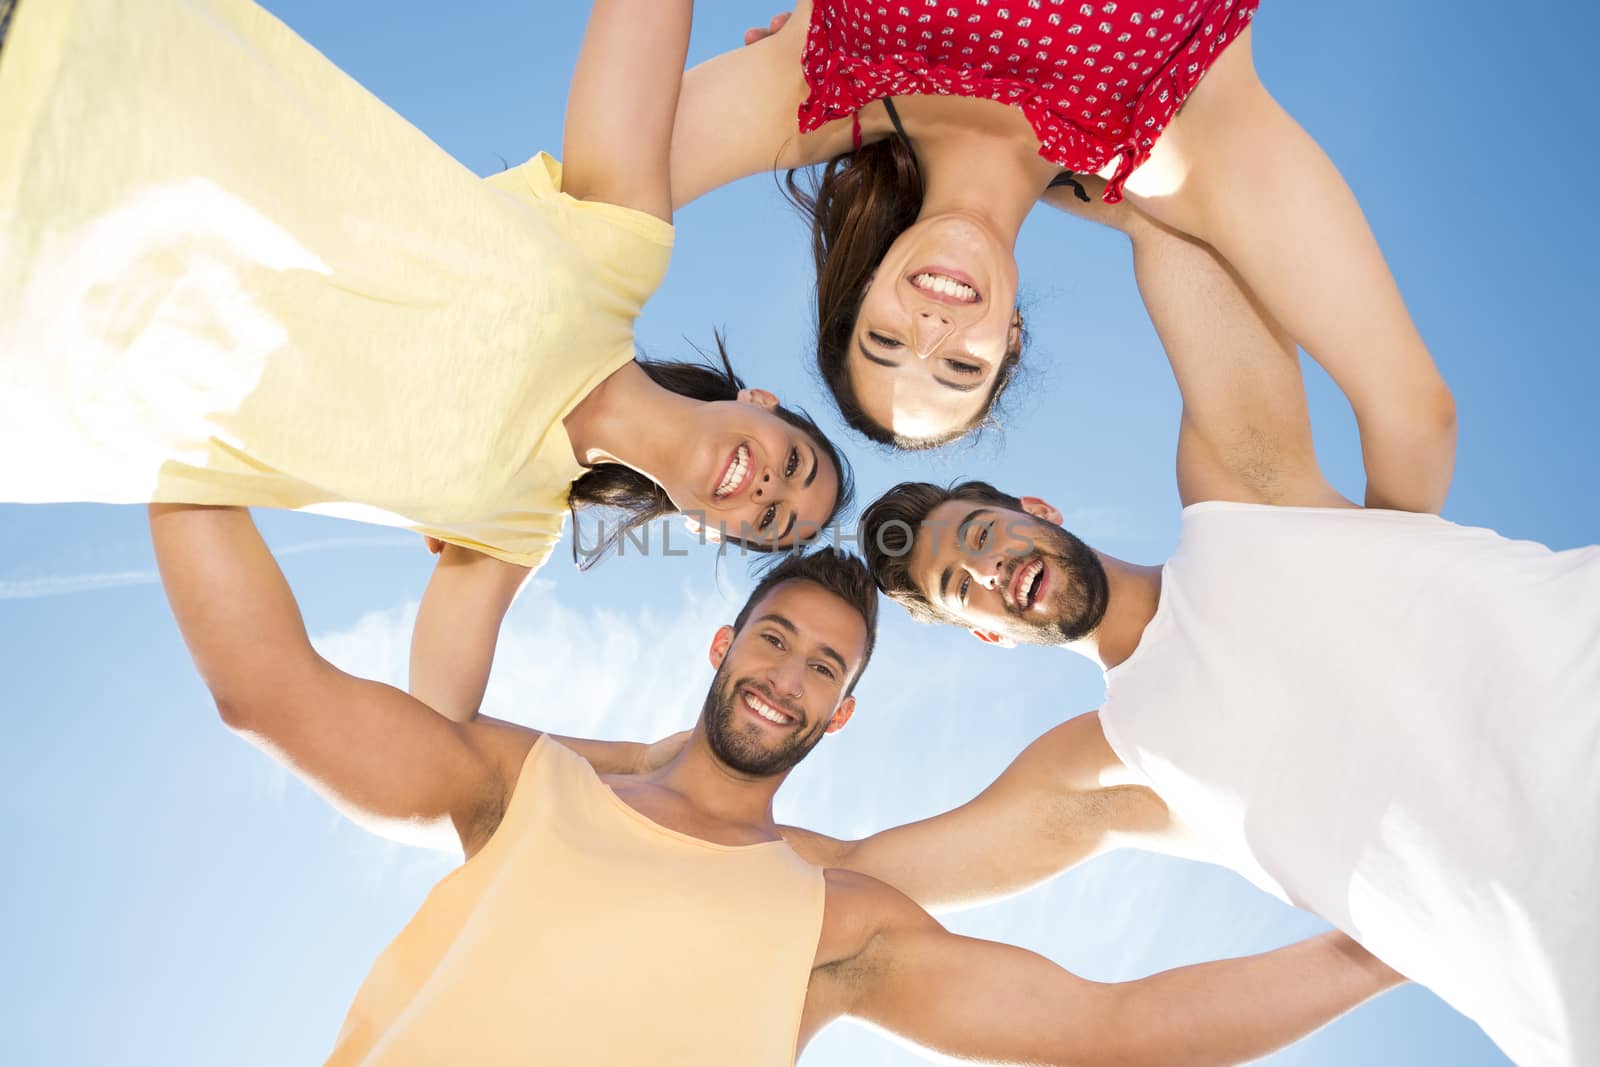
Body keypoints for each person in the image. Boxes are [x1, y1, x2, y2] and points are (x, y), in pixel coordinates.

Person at [150, 503, 1403, 1065]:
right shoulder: (524, 786)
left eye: (822, 667)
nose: (785, 679)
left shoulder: (831, 911)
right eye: (772, 642)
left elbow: (1115, 1031)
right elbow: (266, 685)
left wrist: (1392, 945)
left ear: (841, 710)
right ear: (720, 646)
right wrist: (181, 441)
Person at [816, 197, 1600, 1065]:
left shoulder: (1244, 502)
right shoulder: (1118, 763)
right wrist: (646, 787)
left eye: (982, 534)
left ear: (1038, 510)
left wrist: (976, 177)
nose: (991, 570)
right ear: (988, 635)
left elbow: (1175, 221)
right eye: (962, 588)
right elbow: (850, 871)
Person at [0, 0, 848, 723]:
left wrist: (658, 771)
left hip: (33, 350)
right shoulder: (622, 252)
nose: (770, 490)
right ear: (762, 402)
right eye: (796, 465)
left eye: (770, 522)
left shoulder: (512, 529)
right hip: (83, 83)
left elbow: (434, 735)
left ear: (711, 529)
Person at [666, 1, 1454, 468]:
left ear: (866, 282)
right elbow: (1416, 419)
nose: (932, 331)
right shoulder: (1176, 155)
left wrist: (632, 433)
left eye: (887, 343)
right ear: (1010, 338)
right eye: (960, 368)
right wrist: (1383, 572)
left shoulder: (829, 77)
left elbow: (597, 195)